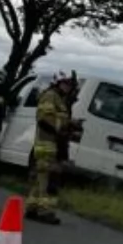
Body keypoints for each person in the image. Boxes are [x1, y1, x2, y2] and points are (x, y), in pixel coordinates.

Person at [27, 72, 80, 225]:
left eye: (70, 84)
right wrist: (65, 126)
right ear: (58, 82)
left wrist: (69, 123)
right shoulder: (51, 96)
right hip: (47, 143)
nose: (68, 87)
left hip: (50, 143)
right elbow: (45, 119)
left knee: (41, 177)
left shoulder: (59, 98)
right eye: (66, 83)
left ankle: (32, 208)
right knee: (48, 179)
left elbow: (55, 118)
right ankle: (45, 212)